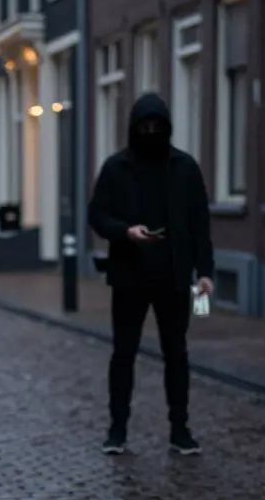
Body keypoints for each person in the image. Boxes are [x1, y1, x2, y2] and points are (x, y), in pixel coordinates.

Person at [87, 92, 214, 457]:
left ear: (167, 128)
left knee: (177, 354)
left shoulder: (185, 168)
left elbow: (199, 224)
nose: (150, 133)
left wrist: (205, 273)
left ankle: (180, 430)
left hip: (175, 279)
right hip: (128, 277)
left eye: (157, 127)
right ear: (133, 129)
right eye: (144, 127)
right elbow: (97, 215)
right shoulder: (116, 168)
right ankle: (117, 429)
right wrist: (125, 231)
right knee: (123, 354)